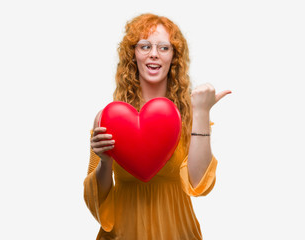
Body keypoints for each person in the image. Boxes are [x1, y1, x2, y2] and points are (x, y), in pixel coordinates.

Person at [84, 13, 231, 239]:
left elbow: (199, 184)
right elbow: (97, 202)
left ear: (174, 57)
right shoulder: (108, 118)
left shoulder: (190, 114)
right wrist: (104, 161)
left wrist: (201, 111)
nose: (154, 54)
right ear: (133, 54)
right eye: (145, 46)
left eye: (164, 48)